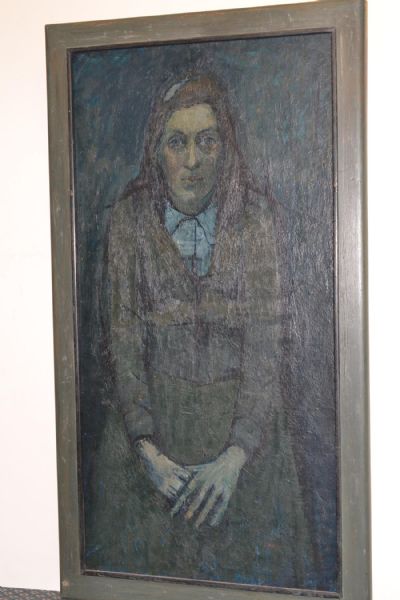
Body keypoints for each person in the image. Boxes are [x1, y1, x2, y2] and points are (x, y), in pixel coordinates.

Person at [86, 73, 311, 588]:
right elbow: (122, 342)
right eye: (177, 142)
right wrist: (149, 453)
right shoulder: (129, 220)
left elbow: (266, 347)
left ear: (225, 148)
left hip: (243, 442)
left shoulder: (256, 220)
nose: (192, 160)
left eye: (207, 141)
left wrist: (236, 456)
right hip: (151, 437)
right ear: (156, 151)